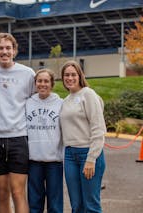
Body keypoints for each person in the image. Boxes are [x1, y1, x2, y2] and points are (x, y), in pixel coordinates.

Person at [0, 32, 35, 213]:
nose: (4, 52)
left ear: (15, 51)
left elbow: (35, 102)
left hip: (19, 138)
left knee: (18, 192)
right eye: (0, 48)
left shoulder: (27, 74)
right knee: (2, 193)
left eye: (8, 48)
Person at [60, 60, 106, 213]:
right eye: (66, 75)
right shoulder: (65, 101)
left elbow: (98, 128)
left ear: (80, 76)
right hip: (70, 156)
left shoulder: (88, 94)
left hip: (88, 154)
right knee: (77, 206)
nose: (70, 78)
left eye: (73, 74)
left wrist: (91, 159)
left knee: (91, 205)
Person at [26, 69, 64, 213]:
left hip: (54, 161)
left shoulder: (60, 103)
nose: (42, 84)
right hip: (34, 160)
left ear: (52, 84)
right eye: (39, 81)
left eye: (46, 81)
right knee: (34, 203)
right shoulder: (28, 103)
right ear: (35, 84)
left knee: (55, 204)